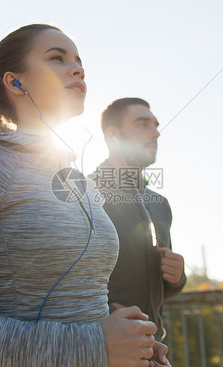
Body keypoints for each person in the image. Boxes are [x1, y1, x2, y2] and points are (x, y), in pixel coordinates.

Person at [0, 25, 172, 367]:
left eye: (79, 61)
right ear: (15, 82)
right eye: (57, 58)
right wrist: (98, 344)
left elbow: (80, 307)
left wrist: (135, 347)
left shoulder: (81, 183)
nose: (78, 69)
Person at [90, 98, 186, 340]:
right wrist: (108, 312)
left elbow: (157, 285)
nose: (155, 133)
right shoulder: (85, 192)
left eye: (155, 125)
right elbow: (61, 278)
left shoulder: (160, 204)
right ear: (113, 135)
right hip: (102, 348)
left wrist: (177, 278)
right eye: (143, 125)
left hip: (153, 345)